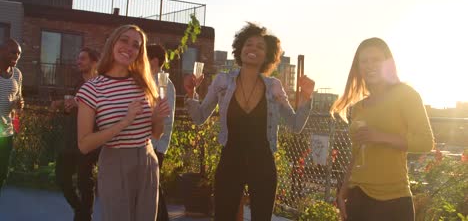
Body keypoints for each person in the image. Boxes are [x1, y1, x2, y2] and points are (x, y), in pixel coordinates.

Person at [184, 22, 315, 221]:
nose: (253, 49)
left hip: (263, 165)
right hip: (230, 162)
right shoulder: (222, 81)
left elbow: (296, 125)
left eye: (260, 47)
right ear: (240, 49)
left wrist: (306, 97)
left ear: (267, 55)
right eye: (249, 44)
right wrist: (191, 93)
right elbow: (200, 117)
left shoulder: (274, 86)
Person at [330, 37, 434, 221]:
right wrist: (343, 192)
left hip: (393, 200)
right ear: (358, 67)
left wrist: (381, 136)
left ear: (388, 63)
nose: (370, 65)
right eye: (364, 61)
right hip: (358, 197)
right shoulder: (359, 107)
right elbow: (356, 154)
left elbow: (426, 142)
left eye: (376, 59)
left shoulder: (406, 95)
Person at [76, 25, 170, 221]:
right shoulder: (92, 89)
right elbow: (84, 145)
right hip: (115, 162)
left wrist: (158, 118)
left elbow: (156, 134)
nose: (129, 47)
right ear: (113, 43)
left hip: (147, 160)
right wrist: (124, 122)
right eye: (124, 40)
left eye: (136, 45)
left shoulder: (144, 84)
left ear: (139, 53)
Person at [51, 47, 101, 221]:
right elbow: (74, 105)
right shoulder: (79, 83)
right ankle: (81, 212)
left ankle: (84, 216)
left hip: (89, 138)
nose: (78, 61)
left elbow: (101, 109)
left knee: (84, 181)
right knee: (62, 177)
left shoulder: (101, 84)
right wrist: (64, 105)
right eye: (78, 58)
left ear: (94, 62)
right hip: (71, 139)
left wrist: (77, 103)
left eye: (83, 59)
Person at [146, 44, 176, 221]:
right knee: (152, 189)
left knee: (153, 190)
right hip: (153, 143)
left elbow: (162, 115)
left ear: (154, 61)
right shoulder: (154, 80)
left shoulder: (162, 83)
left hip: (155, 144)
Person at [0, 38, 23, 195]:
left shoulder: (17, 74)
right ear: (1, 51)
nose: (17, 56)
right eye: (13, 52)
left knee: (2, 174)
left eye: (19, 53)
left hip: (5, 134)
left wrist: (20, 103)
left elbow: (19, 97)